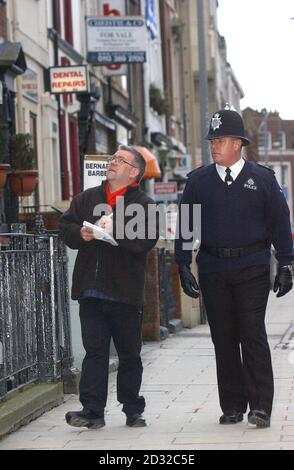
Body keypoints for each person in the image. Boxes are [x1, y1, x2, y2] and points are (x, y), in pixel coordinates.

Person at [175, 108, 293, 428]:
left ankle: (261, 407)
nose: (215, 145)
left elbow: (280, 223)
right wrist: (183, 265)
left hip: (253, 267)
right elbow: (186, 227)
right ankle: (232, 406)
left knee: (252, 334)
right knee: (223, 338)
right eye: (213, 139)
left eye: (222, 139)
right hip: (213, 268)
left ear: (239, 143)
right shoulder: (198, 182)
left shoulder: (262, 179)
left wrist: (286, 263)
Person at [60, 145, 158, 429]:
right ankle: (92, 410)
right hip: (90, 289)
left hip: (125, 292)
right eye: (113, 158)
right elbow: (65, 228)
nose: (113, 162)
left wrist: (116, 231)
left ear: (134, 172)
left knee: (129, 353)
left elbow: (147, 240)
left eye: (120, 160)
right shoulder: (86, 199)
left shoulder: (144, 205)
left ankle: (132, 409)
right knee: (95, 352)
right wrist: (81, 233)